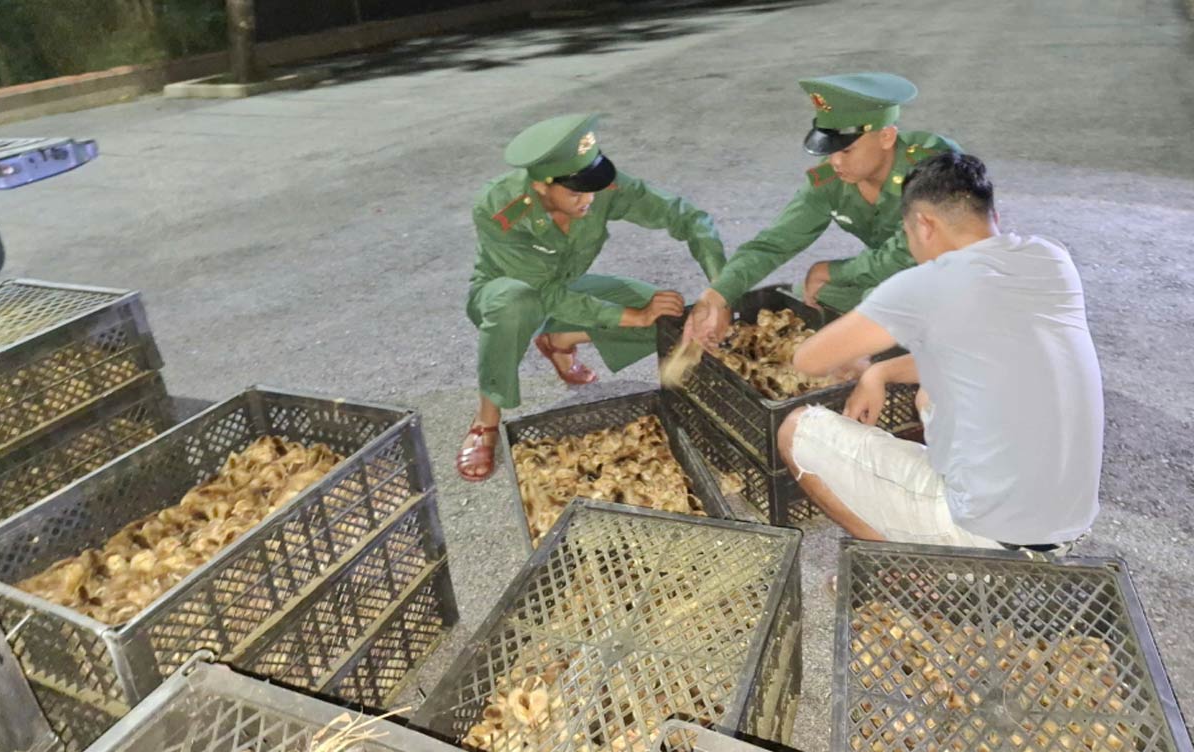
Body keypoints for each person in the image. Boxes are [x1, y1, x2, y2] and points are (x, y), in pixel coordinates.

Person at [776, 151, 1103, 555]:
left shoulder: (928, 283)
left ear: (925, 225)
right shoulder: (1050, 258)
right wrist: (879, 373)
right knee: (931, 391)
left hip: (988, 531)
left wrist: (860, 346)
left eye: (908, 236)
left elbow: (810, 359)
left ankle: (918, 571)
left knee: (796, 428)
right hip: (1069, 522)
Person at [458, 113, 727, 481]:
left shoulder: (599, 191)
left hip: (566, 290)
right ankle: (485, 421)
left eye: (593, 187)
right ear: (540, 187)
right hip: (505, 295)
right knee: (516, 305)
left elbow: (686, 216)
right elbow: (541, 292)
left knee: (674, 320)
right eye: (575, 192)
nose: (589, 199)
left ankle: (560, 339)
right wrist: (632, 315)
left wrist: (720, 289)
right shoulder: (500, 207)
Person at [684, 72, 958, 347]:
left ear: (886, 136)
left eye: (846, 151)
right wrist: (717, 296)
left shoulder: (932, 164)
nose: (835, 161)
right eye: (830, 150)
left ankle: (922, 365)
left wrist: (832, 269)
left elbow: (906, 254)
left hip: (957, 277)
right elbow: (773, 244)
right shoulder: (831, 181)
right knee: (818, 294)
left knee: (876, 300)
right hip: (897, 277)